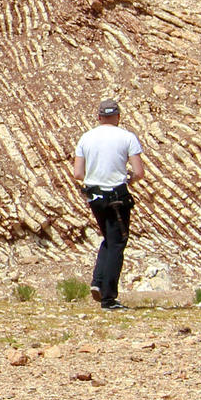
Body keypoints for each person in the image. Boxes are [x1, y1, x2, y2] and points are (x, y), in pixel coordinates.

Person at [74, 98, 146, 310]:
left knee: (109, 237)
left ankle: (98, 282)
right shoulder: (127, 137)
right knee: (117, 243)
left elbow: (78, 173)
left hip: (94, 196)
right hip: (117, 196)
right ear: (117, 116)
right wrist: (128, 180)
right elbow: (139, 172)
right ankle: (109, 298)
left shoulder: (86, 138)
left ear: (98, 117)